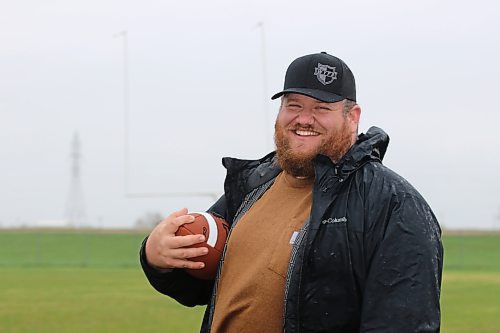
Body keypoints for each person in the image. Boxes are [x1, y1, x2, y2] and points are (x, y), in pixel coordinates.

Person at [140, 52, 443, 332]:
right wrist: (156, 257)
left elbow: (403, 323)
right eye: (294, 105)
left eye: (321, 108)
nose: (304, 119)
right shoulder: (253, 186)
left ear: (353, 117)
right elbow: (201, 286)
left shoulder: (394, 204)